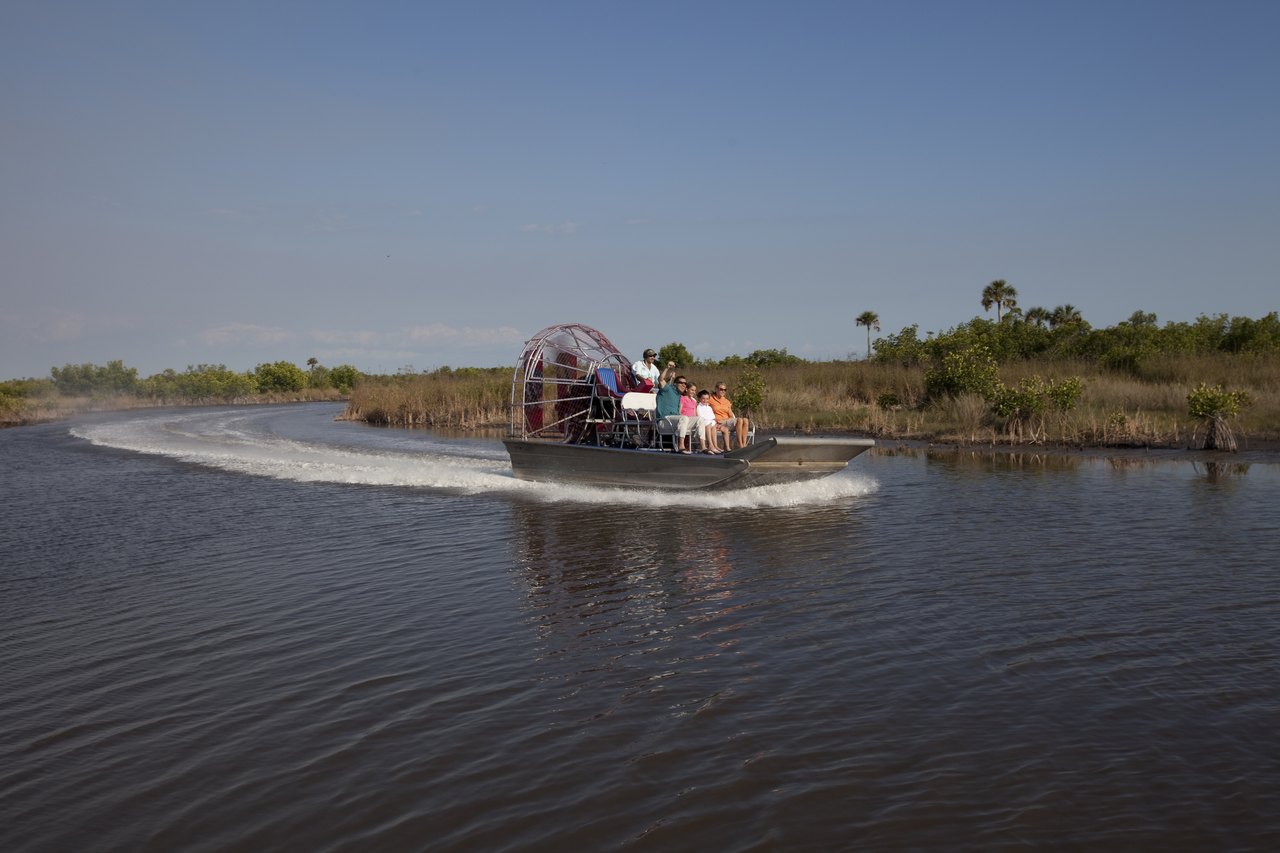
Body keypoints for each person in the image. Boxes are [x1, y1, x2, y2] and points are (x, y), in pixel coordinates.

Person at [655, 373, 693, 453]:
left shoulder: (679, 395)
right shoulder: (667, 389)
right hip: (664, 421)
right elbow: (661, 380)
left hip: (674, 421)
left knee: (701, 420)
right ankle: (681, 446)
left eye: (685, 383)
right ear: (675, 384)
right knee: (684, 418)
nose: (684, 385)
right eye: (681, 383)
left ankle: (705, 447)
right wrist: (667, 368)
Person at [709, 382, 751, 449]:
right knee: (739, 420)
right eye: (721, 389)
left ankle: (744, 445)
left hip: (726, 421)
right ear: (716, 389)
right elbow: (704, 409)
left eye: (725, 390)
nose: (723, 391)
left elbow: (731, 415)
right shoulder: (710, 399)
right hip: (718, 422)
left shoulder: (726, 401)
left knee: (745, 420)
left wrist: (725, 420)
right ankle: (740, 445)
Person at [696, 388, 727, 454]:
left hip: (710, 423)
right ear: (699, 399)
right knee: (709, 424)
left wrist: (714, 423)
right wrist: (710, 422)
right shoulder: (699, 407)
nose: (705, 400)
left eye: (707, 399)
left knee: (713, 424)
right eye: (703, 399)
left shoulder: (709, 407)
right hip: (703, 424)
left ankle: (715, 446)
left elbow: (713, 417)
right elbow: (701, 417)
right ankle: (710, 445)